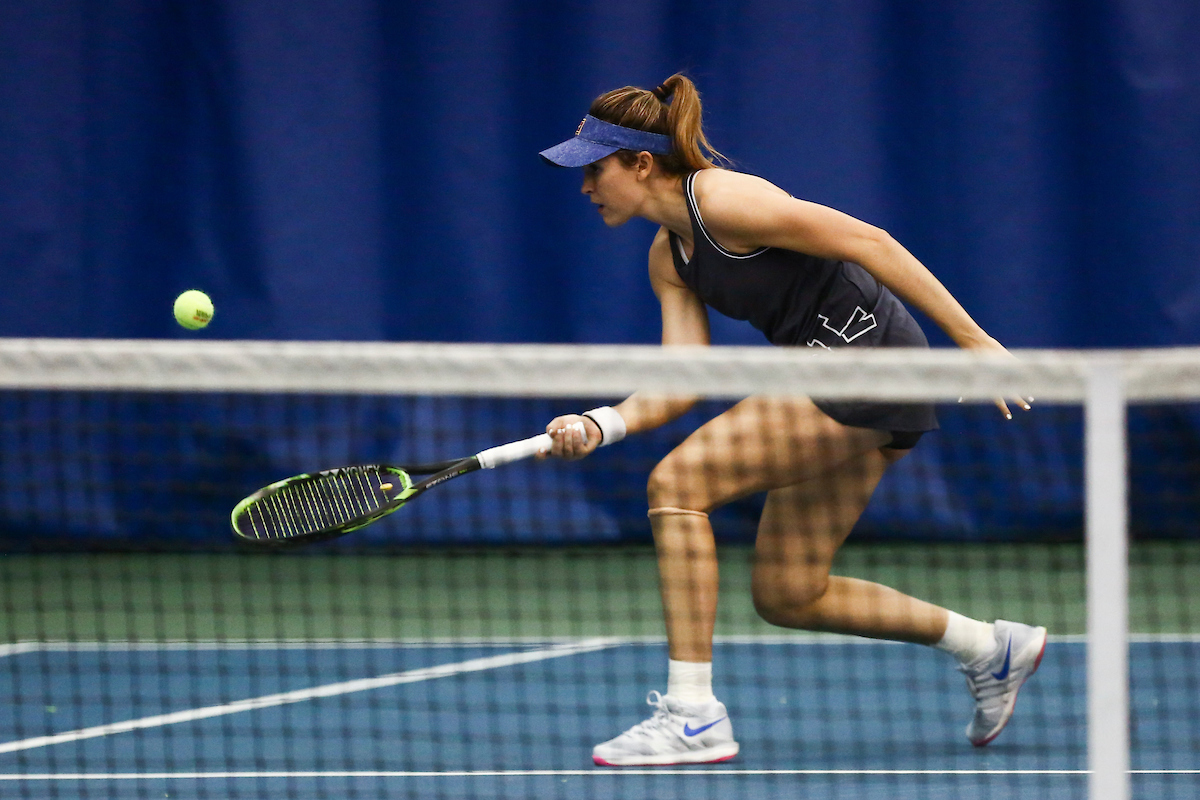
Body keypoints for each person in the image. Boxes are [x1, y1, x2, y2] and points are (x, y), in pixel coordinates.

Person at [537, 74, 1045, 767]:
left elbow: (869, 240)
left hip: (868, 361)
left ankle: (692, 716)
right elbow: (681, 379)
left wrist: (973, 341)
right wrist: (602, 424)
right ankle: (989, 647)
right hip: (835, 379)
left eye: (594, 170)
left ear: (641, 164)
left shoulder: (724, 200)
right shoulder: (669, 257)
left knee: (677, 485)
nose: (585, 186)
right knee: (790, 591)